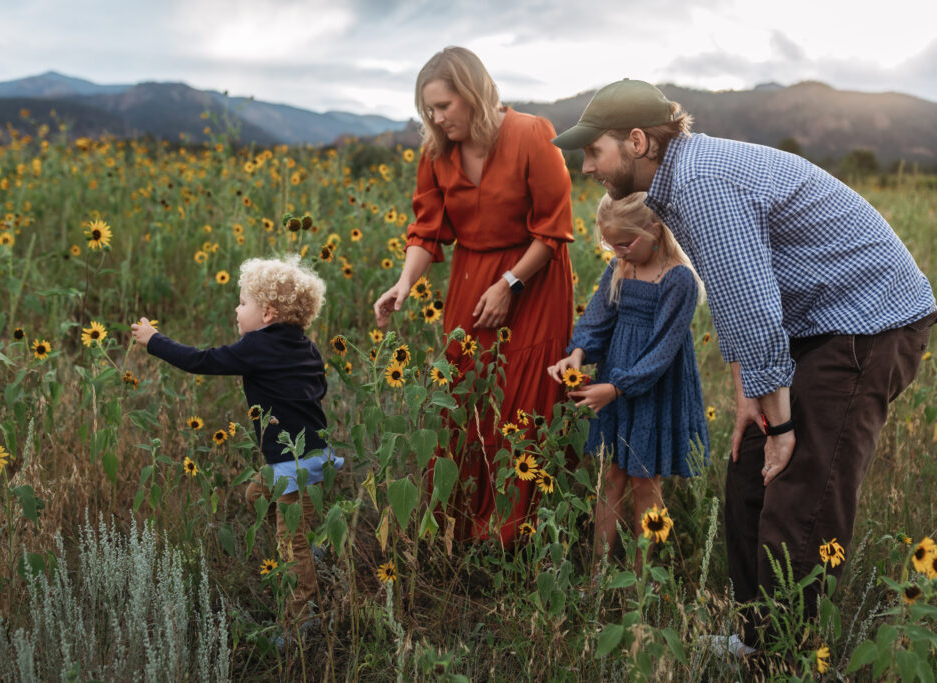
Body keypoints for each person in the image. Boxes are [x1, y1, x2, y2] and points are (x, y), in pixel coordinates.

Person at [551, 78, 936, 650]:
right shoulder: (678, 183)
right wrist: (749, 405)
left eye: (594, 151)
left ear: (636, 141)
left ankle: (787, 656)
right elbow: (735, 300)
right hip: (814, 325)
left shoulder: (702, 183)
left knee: (802, 488)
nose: (587, 167)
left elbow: (754, 310)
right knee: (747, 469)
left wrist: (780, 425)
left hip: (867, 325)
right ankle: (755, 639)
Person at [372, 46, 575, 545]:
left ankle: (518, 533)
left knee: (523, 401)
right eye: (429, 111)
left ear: (474, 93)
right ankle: (460, 528)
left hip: (534, 278)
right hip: (470, 277)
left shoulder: (532, 133)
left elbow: (554, 228)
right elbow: (427, 230)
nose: (437, 119)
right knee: (463, 395)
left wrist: (511, 284)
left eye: (444, 107)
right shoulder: (436, 151)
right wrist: (404, 283)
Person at [131, 255, 342, 628]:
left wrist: (154, 341)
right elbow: (320, 388)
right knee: (256, 496)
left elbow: (201, 361)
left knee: (288, 546)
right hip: (315, 456)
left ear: (268, 314)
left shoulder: (255, 348)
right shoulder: (307, 347)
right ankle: (309, 547)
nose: (236, 308)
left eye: (243, 302)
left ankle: (300, 621)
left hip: (291, 465)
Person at [549, 192, 708, 572]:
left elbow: (661, 353)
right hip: (615, 383)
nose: (618, 251)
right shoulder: (621, 266)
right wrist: (579, 353)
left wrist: (617, 387)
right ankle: (599, 575)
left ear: (655, 229)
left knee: (644, 480)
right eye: (611, 244)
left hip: (653, 387)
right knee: (611, 477)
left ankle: (643, 577)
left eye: (625, 243)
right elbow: (598, 318)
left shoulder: (678, 279)